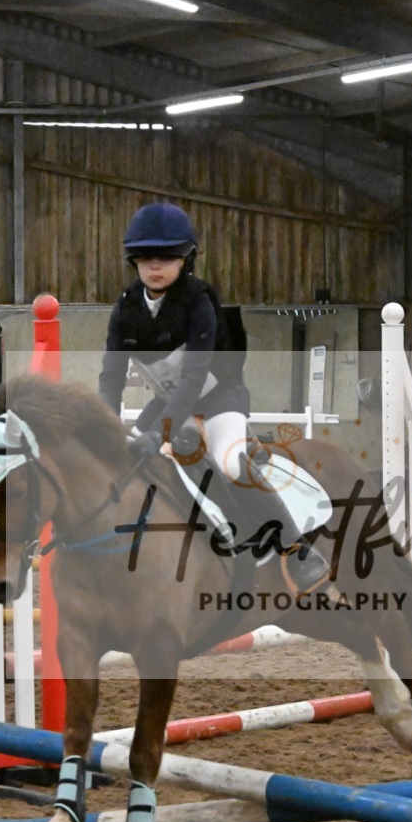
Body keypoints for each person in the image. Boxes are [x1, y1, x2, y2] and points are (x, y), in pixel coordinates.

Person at [98, 202, 330, 591]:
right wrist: (103, 425)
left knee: (231, 465)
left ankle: (297, 548)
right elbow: (110, 376)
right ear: (133, 260)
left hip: (218, 399)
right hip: (167, 403)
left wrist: (160, 432)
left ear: (185, 259)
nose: (155, 266)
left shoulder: (199, 301)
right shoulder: (125, 307)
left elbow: (193, 379)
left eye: (166, 257)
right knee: (124, 466)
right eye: (145, 257)